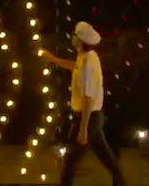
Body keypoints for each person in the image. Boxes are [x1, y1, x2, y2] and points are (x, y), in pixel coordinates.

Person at [40, 21, 128, 186]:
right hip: (94, 117)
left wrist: (82, 129)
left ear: (80, 41)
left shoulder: (87, 65)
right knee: (106, 158)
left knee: (71, 162)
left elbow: (87, 98)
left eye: (74, 35)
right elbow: (75, 67)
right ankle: (121, 182)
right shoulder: (88, 57)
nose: (72, 38)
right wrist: (53, 60)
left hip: (88, 118)